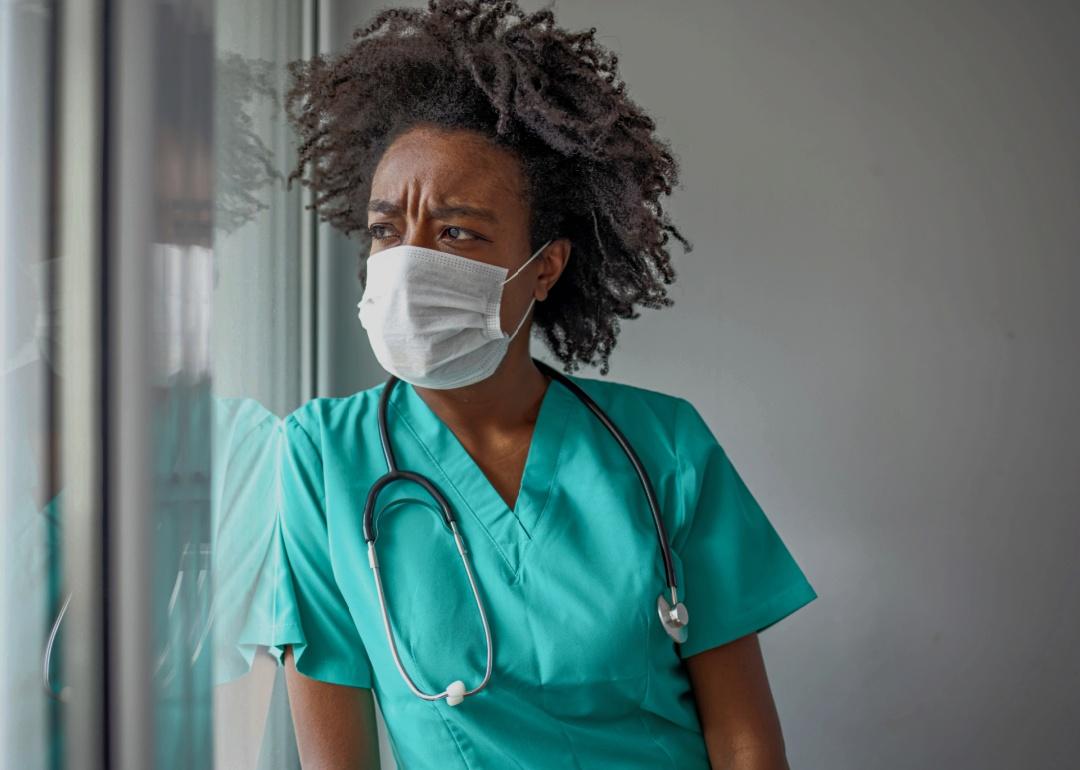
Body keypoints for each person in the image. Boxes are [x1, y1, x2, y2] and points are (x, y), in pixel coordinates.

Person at [267, 2, 817, 767]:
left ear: (546, 267)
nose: (407, 263)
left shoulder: (664, 448)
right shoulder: (320, 458)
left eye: (457, 231)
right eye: (388, 230)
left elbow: (744, 740)